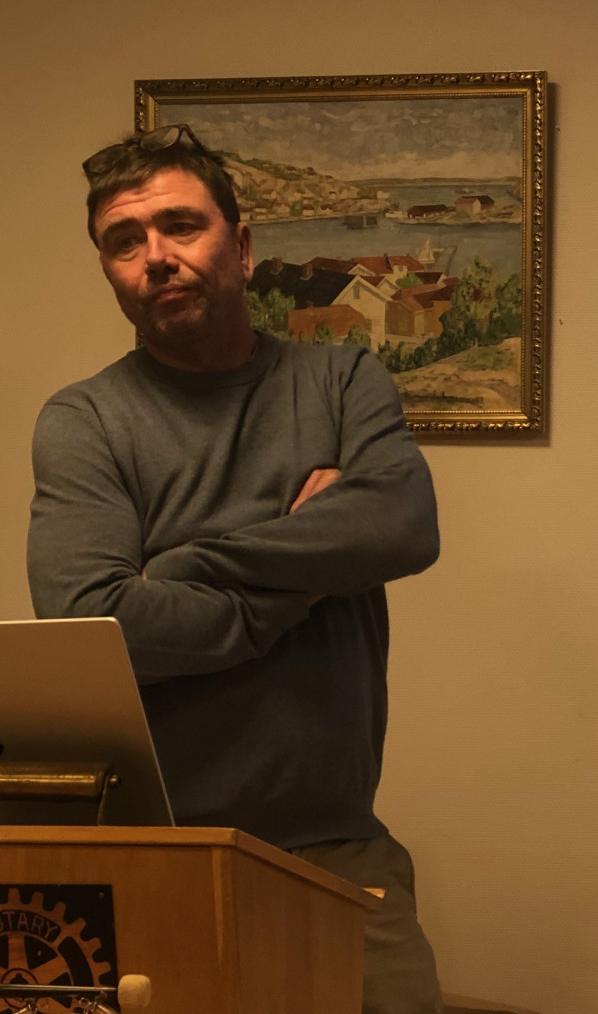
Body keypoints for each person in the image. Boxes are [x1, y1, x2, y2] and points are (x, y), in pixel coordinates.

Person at [26, 124, 445, 1014]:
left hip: (333, 845)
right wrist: (305, 574)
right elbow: (96, 621)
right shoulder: (84, 420)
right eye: (124, 241)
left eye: (181, 225)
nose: (156, 255)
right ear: (110, 272)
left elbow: (403, 524)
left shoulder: (342, 380)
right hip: (152, 846)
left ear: (243, 247)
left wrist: (182, 564)